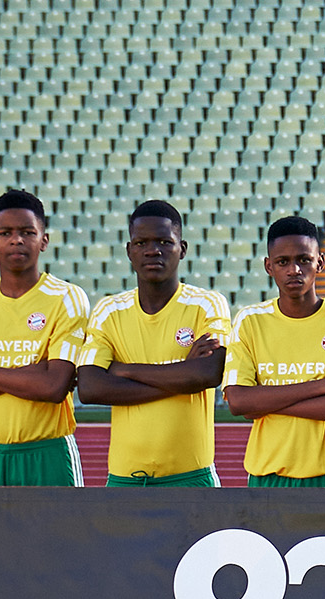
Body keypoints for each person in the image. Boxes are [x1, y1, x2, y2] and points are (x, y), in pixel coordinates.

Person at [76, 200, 230, 487]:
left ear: (182, 249)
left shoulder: (206, 305)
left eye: (164, 241)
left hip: (192, 477)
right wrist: (181, 373)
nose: (152, 250)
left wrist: (124, 370)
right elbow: (90, 388)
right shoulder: (108, 311)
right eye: (141, 242)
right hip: (124, 480)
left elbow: (207, 374)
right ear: (129, 250)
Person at [0, 190, 91, 486]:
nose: (16, 240)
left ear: (44, 240)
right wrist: (32, 373)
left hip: (46, 452)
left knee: (57, 533)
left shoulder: (66, 298)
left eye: (27, 232)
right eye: (5, 232)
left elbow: (53, 386)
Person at [222, 215, 325, 487]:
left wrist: (266, 402)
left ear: (319, 263)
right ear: (269, 266)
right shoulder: (250, 320)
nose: (294, 270)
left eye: (304, 260)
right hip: (267, 474)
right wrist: (319, 387)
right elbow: (240, 403)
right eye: (283, 262)